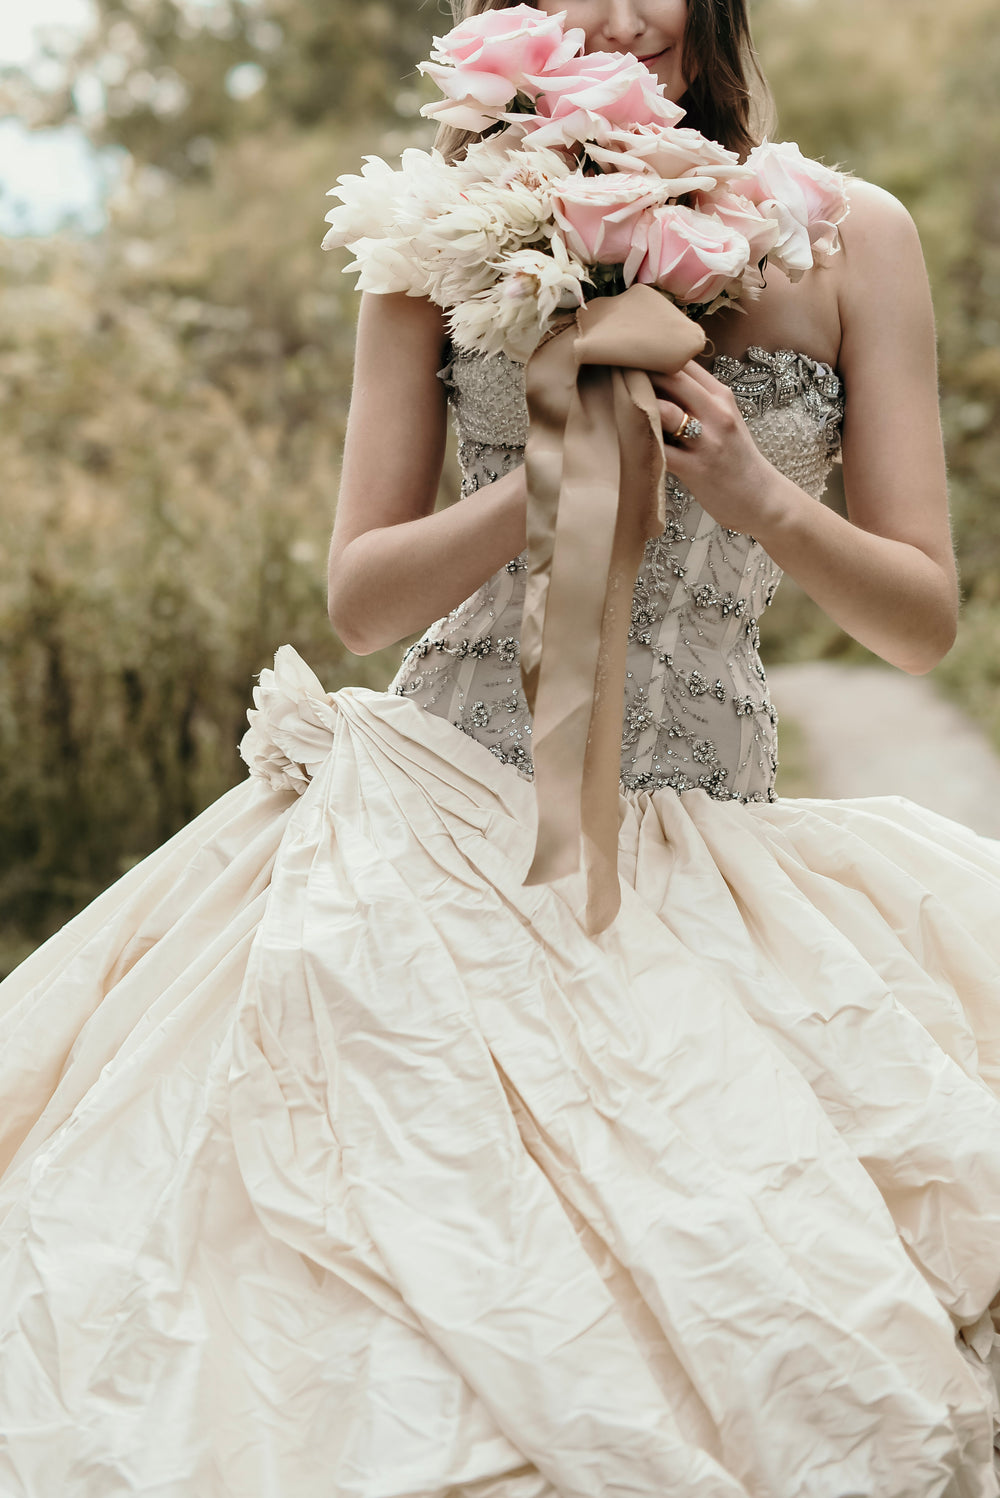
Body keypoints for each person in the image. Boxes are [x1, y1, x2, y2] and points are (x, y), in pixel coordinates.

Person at [2, 0, 1000, 1494]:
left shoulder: (854, 235)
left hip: (707, 840)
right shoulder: (435, 235)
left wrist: (754, 492)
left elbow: (921, 619)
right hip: (440, 818)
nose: (616, 14)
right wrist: (546, 484)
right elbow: (360, 593)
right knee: (381, 1299)